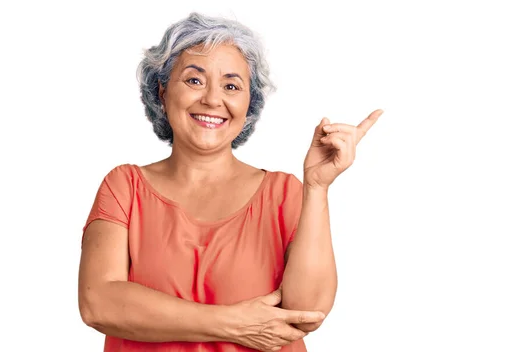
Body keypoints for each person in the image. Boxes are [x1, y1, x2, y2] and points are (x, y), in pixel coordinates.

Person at [78, 12, 382, 352]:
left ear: (248, 104)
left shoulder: (284, 194)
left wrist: (317, 187)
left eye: (231, 86)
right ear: (162, 91)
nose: (212, 99)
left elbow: (305, 314)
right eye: (194, 80)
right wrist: (233, 323)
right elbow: (98, 303)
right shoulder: (125, 187)